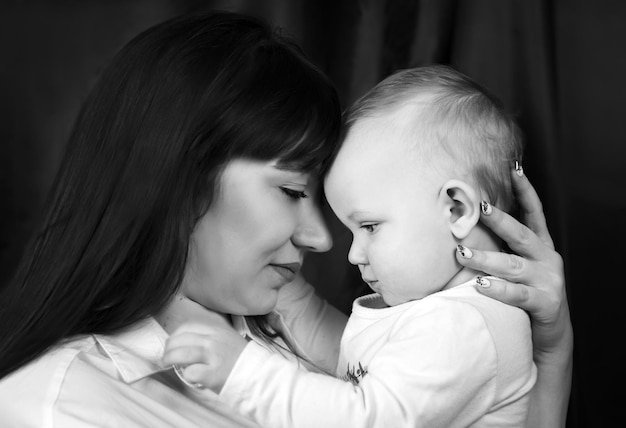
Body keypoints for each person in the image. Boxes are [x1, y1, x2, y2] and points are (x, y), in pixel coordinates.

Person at [0, 10, 572, 428]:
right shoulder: (59, 406)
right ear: (177, 179)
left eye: (367, 225)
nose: (325, 241)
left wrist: (553, 346)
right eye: (293, 189)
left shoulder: (264, 337)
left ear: (455, 208)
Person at [162, 65, 543, 427]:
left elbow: (363, 417)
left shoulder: (465, 326)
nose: (353, 254)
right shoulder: (436, 312)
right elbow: (341, 357)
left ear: (456, 210)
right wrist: (285, 292)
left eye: (370, 227)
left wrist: (242, 372)